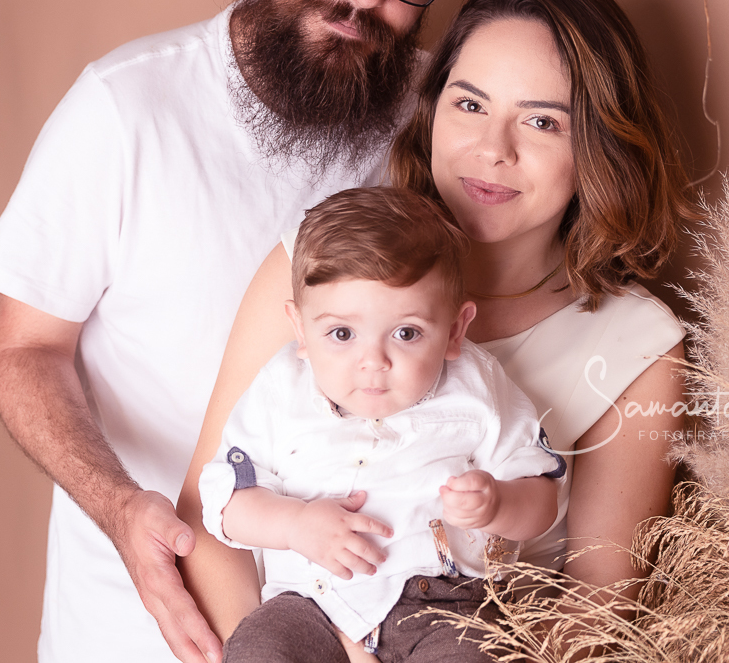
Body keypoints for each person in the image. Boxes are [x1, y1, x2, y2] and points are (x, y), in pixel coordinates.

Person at [0, 0, 495, 663]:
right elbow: (23, 348)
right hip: (132, 628)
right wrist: (117, 505)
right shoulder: (127, 108)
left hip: (360, 629)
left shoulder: (443, 121)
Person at [178, 0, 692, 647]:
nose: (492, 150)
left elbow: (595, 611)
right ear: (432, 110)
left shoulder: (637, 345)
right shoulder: (319, 260)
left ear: (598, 143)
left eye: (541, 121)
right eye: (470, 105)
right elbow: (210, 521)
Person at [200, 186, 562, 662]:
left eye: (406, 333)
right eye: (342, 333)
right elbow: (226, 501)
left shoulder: (477, 387)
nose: (373, 361)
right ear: (301, 328)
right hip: (308, 603)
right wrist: (294, 524)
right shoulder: (280, 389)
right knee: (259, 650)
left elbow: (542, 499)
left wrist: (498, 503)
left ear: (455, 329)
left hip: (445, 606)